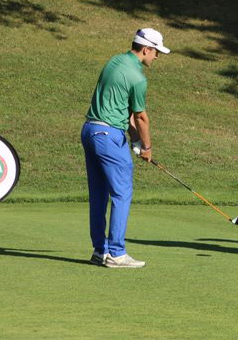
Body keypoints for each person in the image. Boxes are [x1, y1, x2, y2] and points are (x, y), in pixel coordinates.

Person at [81, 28, 170, 268]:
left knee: (99, 194)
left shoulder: (115, 61)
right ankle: (117, 254)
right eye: (156, 52)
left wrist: (135, 141)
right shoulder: (138, 77)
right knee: (121, 193)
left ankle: (100, 251)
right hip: (109, 135)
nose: (157, 57)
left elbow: (123, 111)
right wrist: (148, 147)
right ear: (146, 49)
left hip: (90, 130)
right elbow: (140, 118)